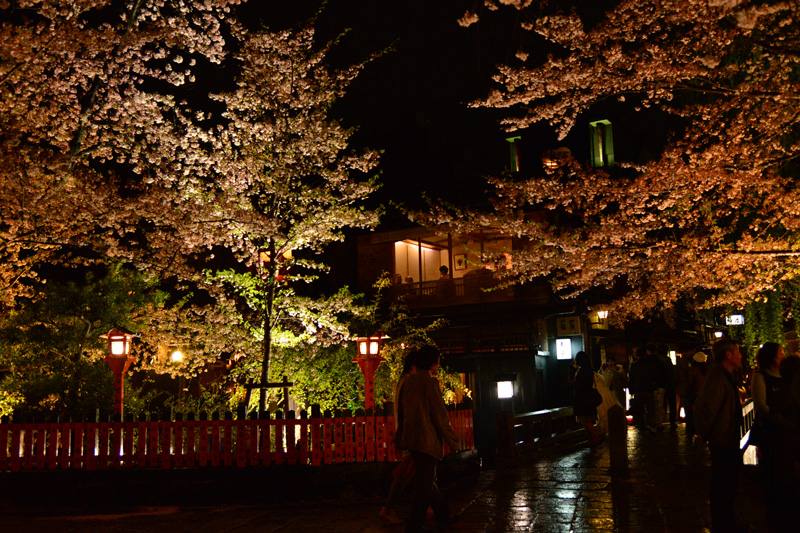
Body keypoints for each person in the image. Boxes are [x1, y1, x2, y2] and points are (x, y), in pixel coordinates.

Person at [395, 345, 459, 532]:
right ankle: (414, 526)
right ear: (433, 363)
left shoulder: (408, 382)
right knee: (423, 488)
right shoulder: (430, 383)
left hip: (412, 439)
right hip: (427, 441)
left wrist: (401, 435)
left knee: (426, 481)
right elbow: (439, 416)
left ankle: (443, 515)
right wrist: (452, 442)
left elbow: (401, 410)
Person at [694, 338, 745, 533]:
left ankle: (726, 523)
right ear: (728, 355)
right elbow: (707, 408)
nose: (740, 355)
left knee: (727, 484)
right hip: (722, 439)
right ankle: (723, 525)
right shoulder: (717, 378)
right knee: (723, 484)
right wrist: (704, 433)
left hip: (727, 437)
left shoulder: (724, 376)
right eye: (737, 351)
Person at [380, 351, 419, 525]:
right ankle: (388, 508)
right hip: (409, 435)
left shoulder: (403, 381)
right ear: (414, 366)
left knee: (419, 473)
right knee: (406, 472)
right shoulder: (408, 382)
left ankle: (431, 508)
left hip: (406, 433)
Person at [572, 351, 603, 446]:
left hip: (584, 400)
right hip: (588, 399)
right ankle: (591, 440)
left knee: (586, 421)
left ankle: (596, 438)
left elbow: (581, 387)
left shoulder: (582, 372)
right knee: (587, 421)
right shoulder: (589, 370)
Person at [686, 350, 709, 438]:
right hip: (704, 395)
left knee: (691, 414)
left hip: (695, 394)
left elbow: (690, 382)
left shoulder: (694, 370)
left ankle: (692, 431)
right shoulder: (707, 370)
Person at [656, 344, 678, 428]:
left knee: (660, 404)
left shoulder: (657, 360)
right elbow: (671, 373)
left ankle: (659, 423)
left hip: (660, 385)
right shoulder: (668, 360)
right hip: (669, 385)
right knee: (672, 404)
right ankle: (672, 421)